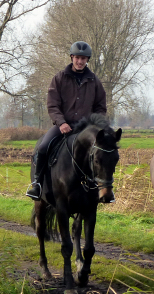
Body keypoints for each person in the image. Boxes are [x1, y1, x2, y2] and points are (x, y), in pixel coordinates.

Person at [25, 41, 108, 200]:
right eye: (77, 58)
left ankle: (103, 189)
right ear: (72, 57)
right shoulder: (59, 78)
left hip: (85, 129)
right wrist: (61, 122)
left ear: (87, 60)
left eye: (83, 58)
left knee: (103, 153)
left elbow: (100, 107)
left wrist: (95, 125)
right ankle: (37, 185)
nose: (80, 61)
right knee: (42, 148)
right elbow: (52, 104)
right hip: (63, 126)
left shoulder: (94, 81)